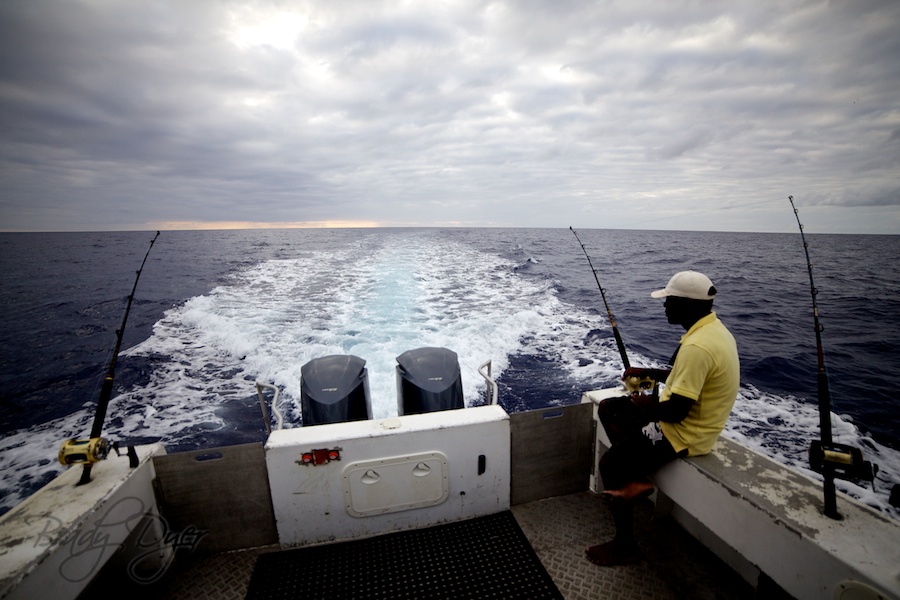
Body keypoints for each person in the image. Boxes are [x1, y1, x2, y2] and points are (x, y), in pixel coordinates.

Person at [585, 270, 740, 566]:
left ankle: (625, 545)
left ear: (688, 304)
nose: (665, 306)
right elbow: (687, 377)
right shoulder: (712, 330)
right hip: (689, 421)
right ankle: (637, 476)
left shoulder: (697, 346)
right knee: (609, 407)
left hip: (683, 432)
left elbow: (676, 412)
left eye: (669, 300)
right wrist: (648, 375)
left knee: (610, 464)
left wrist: (644, 406)